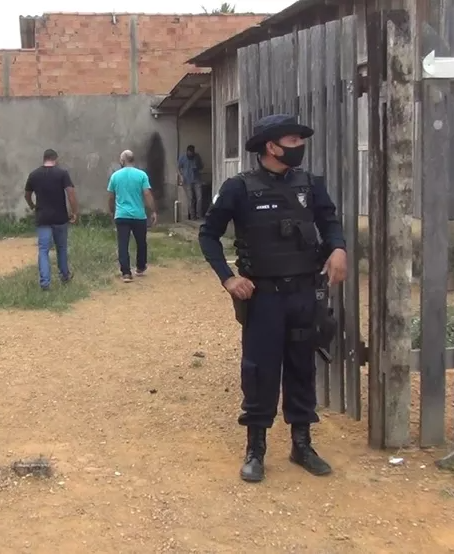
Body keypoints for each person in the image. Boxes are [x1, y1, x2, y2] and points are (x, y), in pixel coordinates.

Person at [198, 114, 348, 483]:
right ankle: (256, 449)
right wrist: (228, 278)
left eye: (300, 140)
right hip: (263, 298)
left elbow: (329, 222)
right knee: (260, 370)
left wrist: (338, 248)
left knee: (302, 367)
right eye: (293, 141)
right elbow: (208, 235)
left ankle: (302, 444)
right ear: (272, 146)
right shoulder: (238, 188)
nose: (300, 146)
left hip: (304, 293)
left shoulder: (310, 185)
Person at [24, 149, 79, 290]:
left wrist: (32, 206)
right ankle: (64, 275)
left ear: (44, 158)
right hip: (60, 217)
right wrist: (74, 212)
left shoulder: (34, 175)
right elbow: (71, 193)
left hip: (42, 217)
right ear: (56, 159)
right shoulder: (62, 173)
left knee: (43, 250)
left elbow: (27, 195)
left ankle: (45, 282)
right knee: (61, 248)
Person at [108, 150, 157, 282]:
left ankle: (126, 273)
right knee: (141, 242)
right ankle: (140, 267)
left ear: (122, 160)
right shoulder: (141, 175)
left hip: (121, 215)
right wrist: (153, 211)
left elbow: (111, 197)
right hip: (138, 215)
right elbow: (147, 194)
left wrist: (112, 211)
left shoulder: (115, 176)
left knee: (123, 244)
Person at [178, 144, 204, 220]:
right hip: (187, 181)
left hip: (197, 179)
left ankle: (199, 214)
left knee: (199, 197)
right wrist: (181, 176)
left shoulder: (197, 157)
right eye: (189, 153)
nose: (191, 155)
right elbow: (178, 167)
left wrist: (197, 167)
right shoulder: (182, 157)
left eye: (192, 153)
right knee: (191, 198)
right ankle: (192, 216)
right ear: (187, 152)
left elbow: (201, 166)